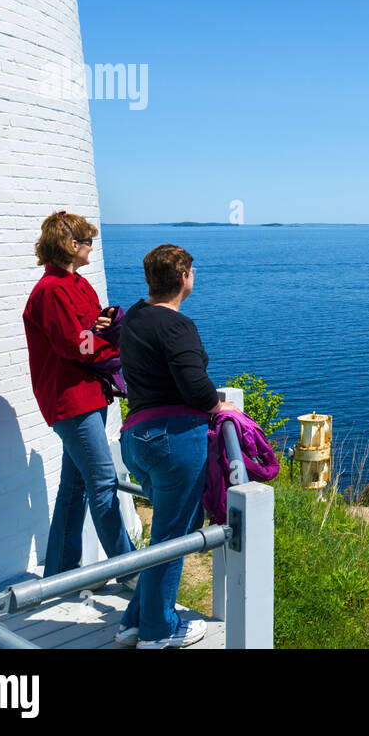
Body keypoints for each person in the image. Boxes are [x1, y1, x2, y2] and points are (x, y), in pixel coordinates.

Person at [115, 243, 235, 648]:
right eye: (192, 272)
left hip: (137, 438)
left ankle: (134, 620)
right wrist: (221, 405)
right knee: (171, 539)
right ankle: (158, 632)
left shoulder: (133, 318)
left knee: (173, 529)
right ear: (184, 277)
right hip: (173, 441)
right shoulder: (176, 325)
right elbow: (197, 388)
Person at [23, 210, 136, 579]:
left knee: (74, 488)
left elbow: (88, 331)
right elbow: (76, 344)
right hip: (70, 400)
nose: (91, 246)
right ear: (72, 245)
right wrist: (115, 349)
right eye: (88, 241)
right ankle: (133, 571)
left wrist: (105, 322)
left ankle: (59, 575)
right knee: (103, 483)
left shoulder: (77, 284)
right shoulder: (52, 291)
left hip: (88, 395)